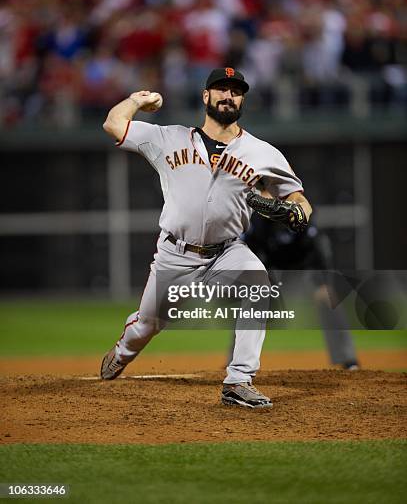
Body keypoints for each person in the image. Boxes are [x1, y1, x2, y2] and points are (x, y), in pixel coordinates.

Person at [100, 67, 312, 408]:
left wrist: (296, 212)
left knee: (258, 285)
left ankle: (238, 380)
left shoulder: (263, 153)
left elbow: (299, 200)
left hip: (226, 252)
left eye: (236, 91)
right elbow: (113, 124)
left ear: (242, 100)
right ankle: (123, 352)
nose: (228, 96)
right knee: (147, 325)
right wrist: (137, 100)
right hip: (175, 254)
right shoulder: (168, 138)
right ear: (206, 96)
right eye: (221, 89)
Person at [244, 215, 359, 370]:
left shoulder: (299, 209)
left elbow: (317, 246)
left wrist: (322, 282)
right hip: (271, 268)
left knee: (328, 298)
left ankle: (348, 359)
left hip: (304, 266)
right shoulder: (257, 217)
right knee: (252, 301)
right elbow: (251, 249)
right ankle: (235, 362)